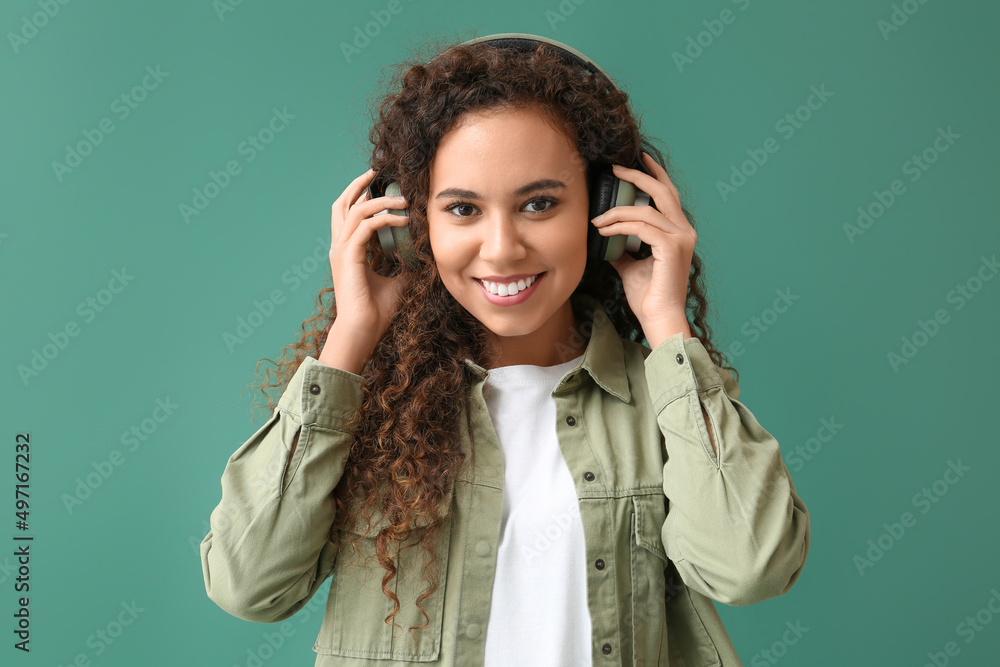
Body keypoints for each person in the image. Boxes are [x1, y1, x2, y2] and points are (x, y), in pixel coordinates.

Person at [200, 33, 810, 666]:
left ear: (609, 212)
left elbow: (752, 568)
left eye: (539, 203)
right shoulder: (371, 410)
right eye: (462, 208)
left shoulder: (664, 401)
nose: (501, 248)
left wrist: (664, 320)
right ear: (414, 230)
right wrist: (350, 337)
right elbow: (248, 586)